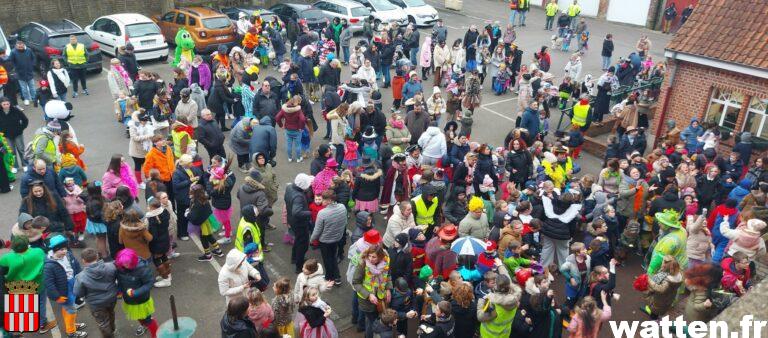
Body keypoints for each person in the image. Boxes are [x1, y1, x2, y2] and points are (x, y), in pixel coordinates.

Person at [0, 235, 57, 333]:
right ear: (27, 244)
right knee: (41, 303)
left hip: (18, 287)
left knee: (23, 306)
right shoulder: (38, 252)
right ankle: (42, 324)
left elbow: (3, 273)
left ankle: (22, 325)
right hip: (38, 284)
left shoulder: (6, 259)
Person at [43, 234, 87, 338]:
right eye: (61, 249)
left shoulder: (68, 255)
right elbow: (49, 283)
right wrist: (56, 296)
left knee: (69, 308)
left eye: (65, 248)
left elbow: (76, 266)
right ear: (54, 250)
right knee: (71, 309)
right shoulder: (49, 265)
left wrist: (81, 278)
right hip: (64, 290)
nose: (65, 251)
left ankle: (71, 324)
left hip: (73, 285)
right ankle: (71, 332)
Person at [74, 248, 119, 337]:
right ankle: (112, 329)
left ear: (83, 260)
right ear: (97, 256)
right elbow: (115, 278)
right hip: (111, 297)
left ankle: (109, 336)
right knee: (111, 313)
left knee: (103, 322)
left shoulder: (81, 277)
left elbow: (78, 293)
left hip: (96, 304)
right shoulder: (111, 266)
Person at [114, 248, 159, 337]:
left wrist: (136, 292)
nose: (125, 265)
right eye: (123, 263)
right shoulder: (120, 267)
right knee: (138, 316)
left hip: (141, 301)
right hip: (129, 300)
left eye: (127, 263)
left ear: (133, 260)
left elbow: (149, 283)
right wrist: (119, 291)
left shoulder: (142, 269)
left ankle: (156, 335)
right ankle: (143, 326)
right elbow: (120, 281)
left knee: (147, 319)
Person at [352, 245, 392, 338]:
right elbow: (356, 282)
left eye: (374, 257)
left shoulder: (386, 262)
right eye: (369, 256)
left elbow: (388, 276)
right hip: (366, 300)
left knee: (376, 319)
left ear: (381, 257)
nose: (370, 259)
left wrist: (388, 289)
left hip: (380, 297)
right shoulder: (363, 265)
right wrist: (369, 295)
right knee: (371, 321)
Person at [311, 190, 347, 286]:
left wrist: (311, 239)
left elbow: (317, 230)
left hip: (325, 240)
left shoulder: (322, 213)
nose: (322, 201)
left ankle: (329, 278)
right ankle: (337, 277)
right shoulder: (342, 207)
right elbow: (344, 222)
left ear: (329, 200)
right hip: (337, 238)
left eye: (323, 199)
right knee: (333, 257)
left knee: (327, 259)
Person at [286, 173, 314, 273]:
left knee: (297, 240)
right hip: (300, 224)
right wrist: (310, 213)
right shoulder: (298, 196)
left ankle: (294, 258)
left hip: (292, 221)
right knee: (303, 244)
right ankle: (299, 265)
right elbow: (297, 212)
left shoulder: (289, 187)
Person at [275, 95, 308, 163]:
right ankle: (298, 158)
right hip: (297, 130)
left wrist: (281, 125)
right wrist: (301, 127)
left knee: (288, 145)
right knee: (298, 145)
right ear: (298, 101)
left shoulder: (284, 108)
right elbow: (302, 119)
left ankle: (290, 158)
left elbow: (277, 117)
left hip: (288, 130)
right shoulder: (298, 110)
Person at [0, 97, 29, 171]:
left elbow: (25, 120)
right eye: (4, 104)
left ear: (10, 103)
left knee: (21, 149)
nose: (6, 106)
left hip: (18, 134)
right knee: (11, 151)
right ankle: (15, 166)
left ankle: (25, 164)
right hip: (6, 136)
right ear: (1, 104)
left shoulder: (16, 110)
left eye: (7, 104)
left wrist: (21, 128)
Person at [7, 40, 37, 106]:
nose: (20, 48)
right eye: (19, 47)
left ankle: (34, 98)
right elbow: (10, 61)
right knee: (24, 88)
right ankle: (26, 99)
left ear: (23, 45)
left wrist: (32, 65)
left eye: (21, 46)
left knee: (32, 87)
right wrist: (15, 68)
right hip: (20, 74)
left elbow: (33, 58)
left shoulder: (29, 50)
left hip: (29, 72)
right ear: (16, 46)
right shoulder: (13, 52)